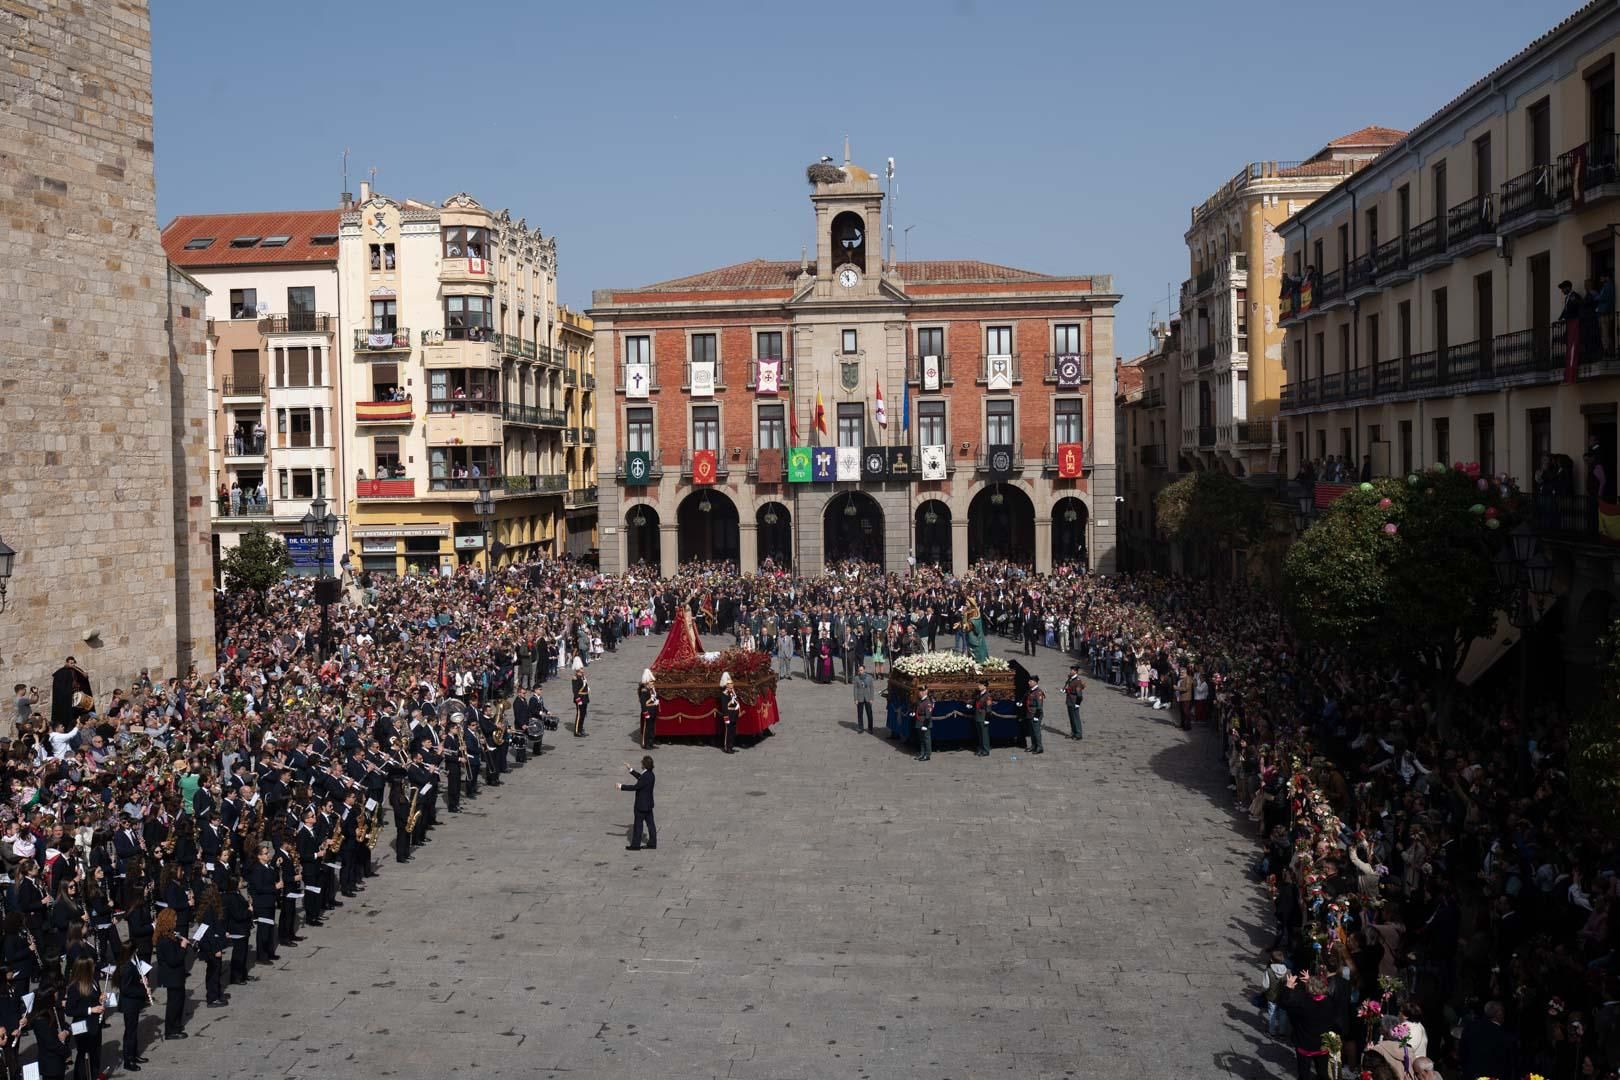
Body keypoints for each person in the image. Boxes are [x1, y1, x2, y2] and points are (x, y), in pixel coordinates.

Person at [63, 956, 106, 1080]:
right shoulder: (74, 987)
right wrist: (90, 1010)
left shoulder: (94, 981)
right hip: (82, 1025)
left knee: (95, 1052)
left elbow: (93, 998)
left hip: (94, 1023)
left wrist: (100, 998)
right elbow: (69, 1010)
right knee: (83, 1055)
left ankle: (93, 1075)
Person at [152, 908, 189, 1040]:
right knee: (174, 1003)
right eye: (174, 918)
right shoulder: (165, 940)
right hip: (172, 976)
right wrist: (183, 947)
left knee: (178, 1001)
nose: (176, 920)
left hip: (175, 975)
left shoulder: (168, 936)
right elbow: (174, 960)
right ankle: (171, 1030)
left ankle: (176, 1026)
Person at [116, 943, 150, 1072]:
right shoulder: (127, 966)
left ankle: (134, 1055)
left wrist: (141, 981)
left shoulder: (131, 963)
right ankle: (128, 1060)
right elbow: (126, 988)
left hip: (133, 1003)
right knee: (130, 1033)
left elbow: (131, 982)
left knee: (133, 1031)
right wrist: (142, 990)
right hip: (129, 1004)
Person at [617, 757, 656, 852]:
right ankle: (652, 843)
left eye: (642, 763)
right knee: (651, 825)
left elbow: (635, 787)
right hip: (649, 805)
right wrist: (630, 769)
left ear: (644, 765)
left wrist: (621, 786)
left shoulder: (645, 776)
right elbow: (640, 777)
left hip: (641, 805)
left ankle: (635, 845)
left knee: (638, 825)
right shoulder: (650, 774)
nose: (641, 764)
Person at [1063, 664, 1085, 740]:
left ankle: (1078, 734)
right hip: (1069, 700)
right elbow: (1070, 689)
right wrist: (1065, 691)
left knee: (1076, 718)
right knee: (1071, 718)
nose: (1071, 671)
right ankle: (1073, 732)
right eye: (1071, 670)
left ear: (1076, 671)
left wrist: (1077, 704)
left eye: (1072, 670)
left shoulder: (1078, 681)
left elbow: (1079, 694)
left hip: (1074, 701)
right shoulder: (1071, 679)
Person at [637, 670, 659, 750]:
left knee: (652, 728)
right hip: (648, 711)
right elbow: (643, 704)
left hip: (653, 710)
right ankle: (647, 744)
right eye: (651, 682)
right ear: (647, 682)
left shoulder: (651, 689)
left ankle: (651, 742)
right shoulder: (644, 691)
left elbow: (654, 697)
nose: (652, 684)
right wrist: (646, 713)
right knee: (648, 728)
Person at [852, 663, 874, 733]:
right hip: (860, 698)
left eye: (861, 670)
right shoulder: (856, 678)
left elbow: (872, 688)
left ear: (864, 670)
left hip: (867, 697)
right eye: (859, 671)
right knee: (860, 714)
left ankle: (870, 728)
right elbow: (855, 689)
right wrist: (855, 699)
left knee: (869, 714)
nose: (860, 672)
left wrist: (871, 698)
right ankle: (860, 728)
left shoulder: (869, 677)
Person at [1025, 675, 1045, 754]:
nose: (1028, 682)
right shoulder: (1031, 690)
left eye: (1030, 681)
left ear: (1035, 682)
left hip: (1035, 714)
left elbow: (1039, 706)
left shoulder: (1038, 692)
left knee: (1036, 731)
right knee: (1032, 731)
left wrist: (1037, 716)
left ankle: (1039, 747)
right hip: (1030, 713)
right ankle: (1033, 746)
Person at [719, 680, 740, 754]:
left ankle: (731, 746)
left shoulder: (732, 693)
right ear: (727, 685)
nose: (732, 685)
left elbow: (736, 702)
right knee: (728, 731)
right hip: (728, 715)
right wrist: (726, 717)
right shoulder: (724, 694)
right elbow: (724, 707)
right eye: (730, 684)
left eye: (732, 684)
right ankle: (727, 747)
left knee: (733, 731)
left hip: (734, 715)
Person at [972, 678, 992, 757]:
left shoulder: (988, 695)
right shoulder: (979, 694)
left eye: (980, 685)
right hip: (978, 716)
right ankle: (981, 748)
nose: (978, 686)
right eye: (979, 684)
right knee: (980, 734)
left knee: (984, 735)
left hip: (983, 716)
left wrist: (987, 719)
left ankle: (986, 750)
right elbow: (976, 703)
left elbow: (989, 708)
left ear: (985, 686)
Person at [913, 684, 933, 762]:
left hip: (924, 722)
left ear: (926, 692)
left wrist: (925, 725)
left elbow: (928, 715)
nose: (920, 693)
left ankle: (927, 754)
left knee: (926, 739)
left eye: (922, 691)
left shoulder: (928, 702)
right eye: (920, 691)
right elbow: (917, 708)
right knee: (921, 739)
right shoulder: (920, 701)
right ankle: (922, 753)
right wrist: (914, 713)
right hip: (919, 721)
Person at [572, 667, 589, 737]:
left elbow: (585, 686)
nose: (582, 672)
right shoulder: (575, 679)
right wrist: (578, 700)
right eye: (581, 671)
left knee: (583, 715)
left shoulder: (583, 677)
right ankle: (577, 731)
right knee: (579, 715)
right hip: (580, 699)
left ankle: (581, 728)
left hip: (585, 698)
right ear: (577, 672)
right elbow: (575, 691)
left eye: (582, 671)